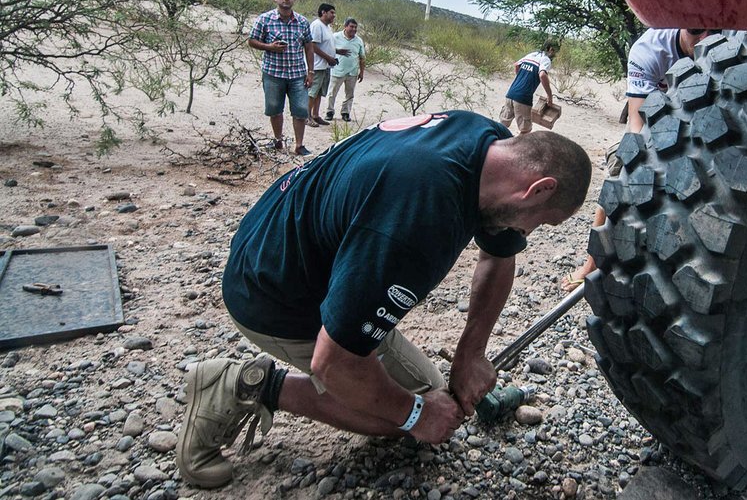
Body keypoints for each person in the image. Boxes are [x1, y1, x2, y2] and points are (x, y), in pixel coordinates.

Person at [175, 110, 592, 488]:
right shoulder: (420, 217)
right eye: (544, 221)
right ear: (539, 189)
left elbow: (498, 253)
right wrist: (416, 416)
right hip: (272, 291)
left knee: (429, 393)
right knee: (414, 413)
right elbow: (332, 363)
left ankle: (363, 349)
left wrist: (472, 352)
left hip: (284, 238)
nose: (533, 231)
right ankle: (249, 386)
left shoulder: (488, 143)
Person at [560, 27, 721, 291]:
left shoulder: (722, 44)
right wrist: (639, 163)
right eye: (695, 32)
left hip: (702, 121)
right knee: (619, 171)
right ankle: (591, 263)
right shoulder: (649, 50)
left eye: (712, 32)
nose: (705, 40)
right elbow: (637, 124)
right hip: (653, 124)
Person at [247, 0, 315, 156]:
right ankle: (278, 141)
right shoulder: (265, 19)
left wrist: (311, 72)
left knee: (300, 110)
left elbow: (308, 46)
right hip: (273, 73)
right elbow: (252, 40)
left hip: (297, 74)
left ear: (294, 0)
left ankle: (299, 146)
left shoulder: (302, 22)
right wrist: (269, 46)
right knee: (274, 108)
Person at [499, 41, 557, 134]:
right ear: (550, 49)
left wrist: (521, 78)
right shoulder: (545, 59)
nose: (555, 54)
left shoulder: (532, 55)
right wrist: (549, 96)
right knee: (525, 130)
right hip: (523, 98)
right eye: (555, 51)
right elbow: (542, 75)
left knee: (503, 124)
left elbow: (516, 65)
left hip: (510, 94)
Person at [326, 17, 366, 123]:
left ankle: (345, 112)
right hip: (337, 70)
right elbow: (327, 50)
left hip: (352, 72)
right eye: (351, 26)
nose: (353, 29)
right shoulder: (335, 37)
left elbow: (362, 57)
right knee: (332, 93)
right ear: (345, 26)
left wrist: (361, 72)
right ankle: (329, 111)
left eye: (355, 27)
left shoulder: (359, 40)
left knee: (349, 94)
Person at [307, 3, 338, 127]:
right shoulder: (317, 25)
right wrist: (328, 58)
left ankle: (315, 115)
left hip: (325, 66)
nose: (333, 16)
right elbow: (312, 46)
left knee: (319, 92)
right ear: (323, 12)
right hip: (317, 65)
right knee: (312, 92)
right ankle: (307, 116)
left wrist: (336, 54)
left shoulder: (327, 27)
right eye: (332, 12)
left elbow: (326, 45)